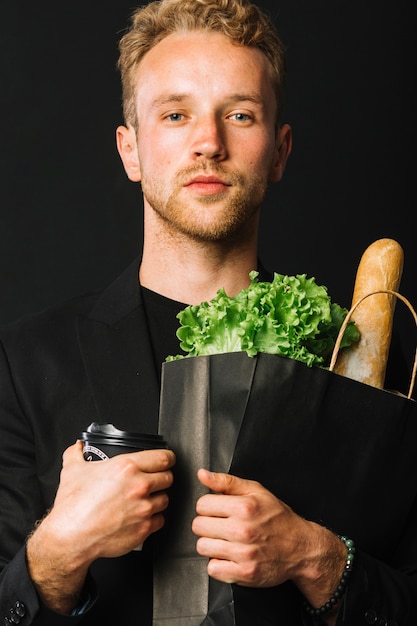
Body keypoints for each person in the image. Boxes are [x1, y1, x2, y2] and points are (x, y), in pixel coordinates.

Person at [0, 0, 415, 624]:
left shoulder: (363, 359)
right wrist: (59, 549)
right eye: (175, 114)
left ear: (279, 152)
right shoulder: (23, 362)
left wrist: (317, 559)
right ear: (130, 151)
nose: (208, 144)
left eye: (239, 115)